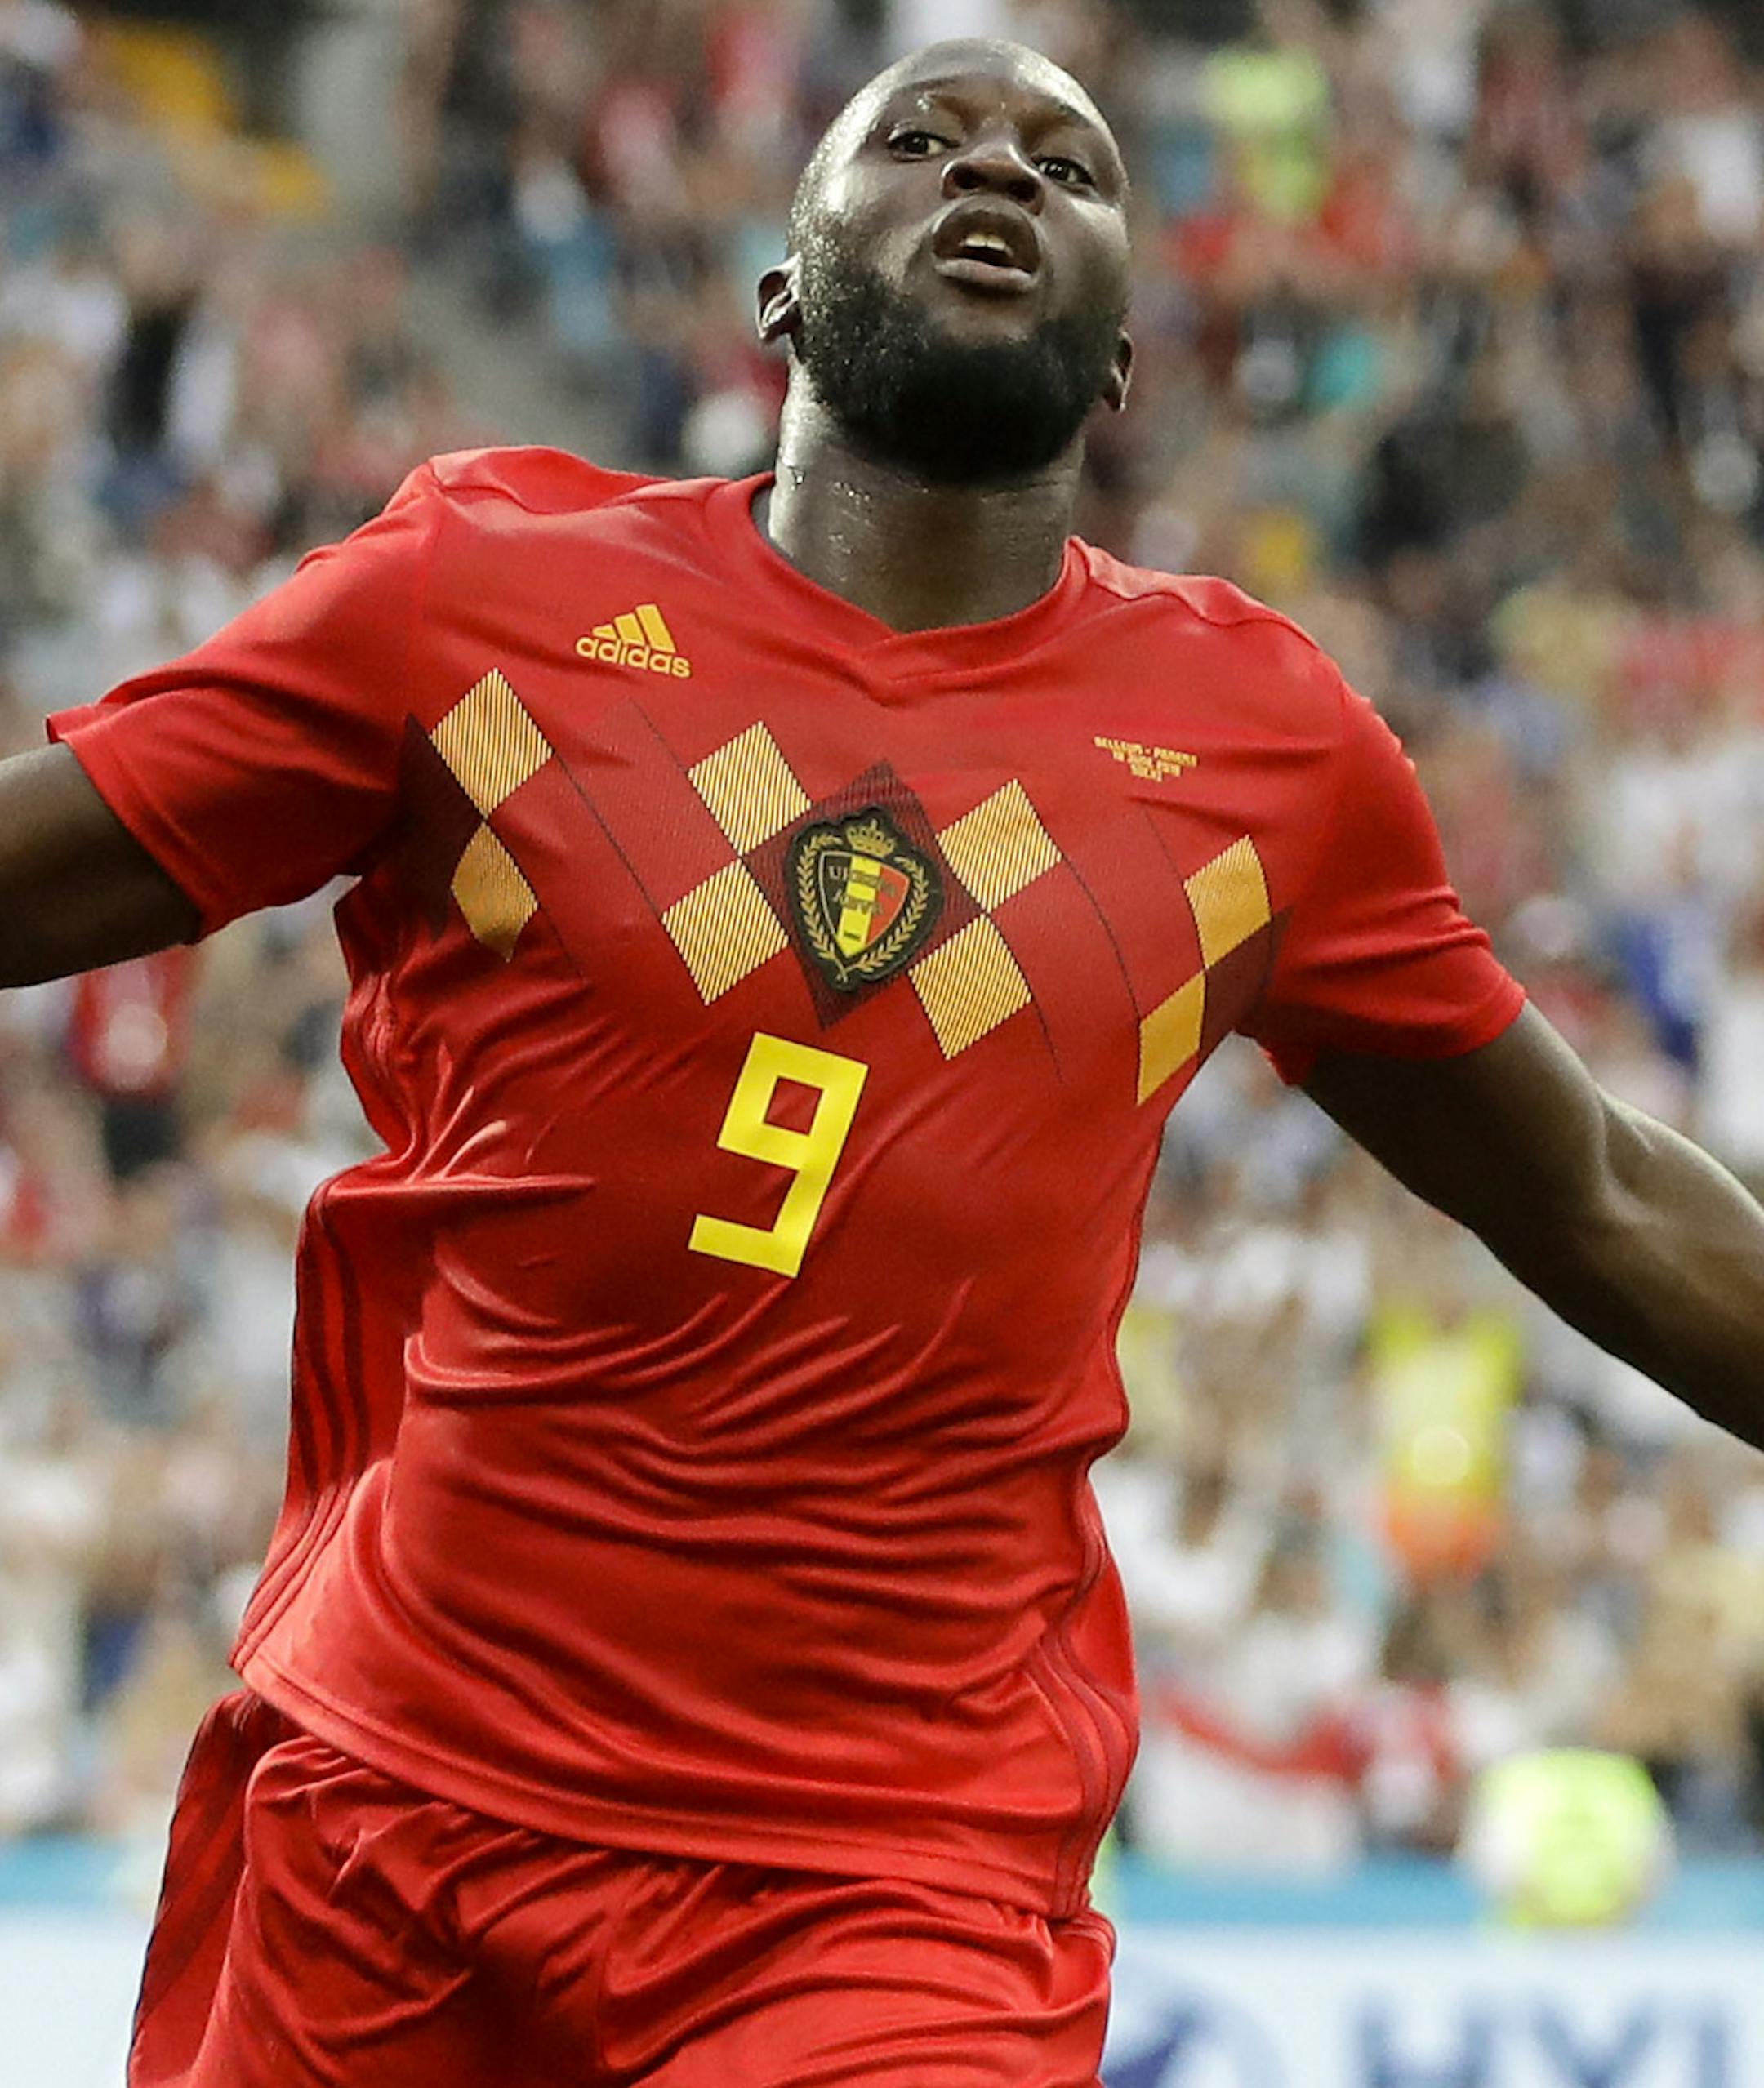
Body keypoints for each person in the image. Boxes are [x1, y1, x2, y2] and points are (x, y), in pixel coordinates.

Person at [2, 35, 1762, 2088]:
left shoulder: (1265, 755)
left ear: (1125, 354)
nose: (994, 171)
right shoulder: (472, 602)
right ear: (780, 288)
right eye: (919, 138)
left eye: (1068, 166)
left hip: (890, 1891)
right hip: (398, 1815)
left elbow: (1598, 1192)